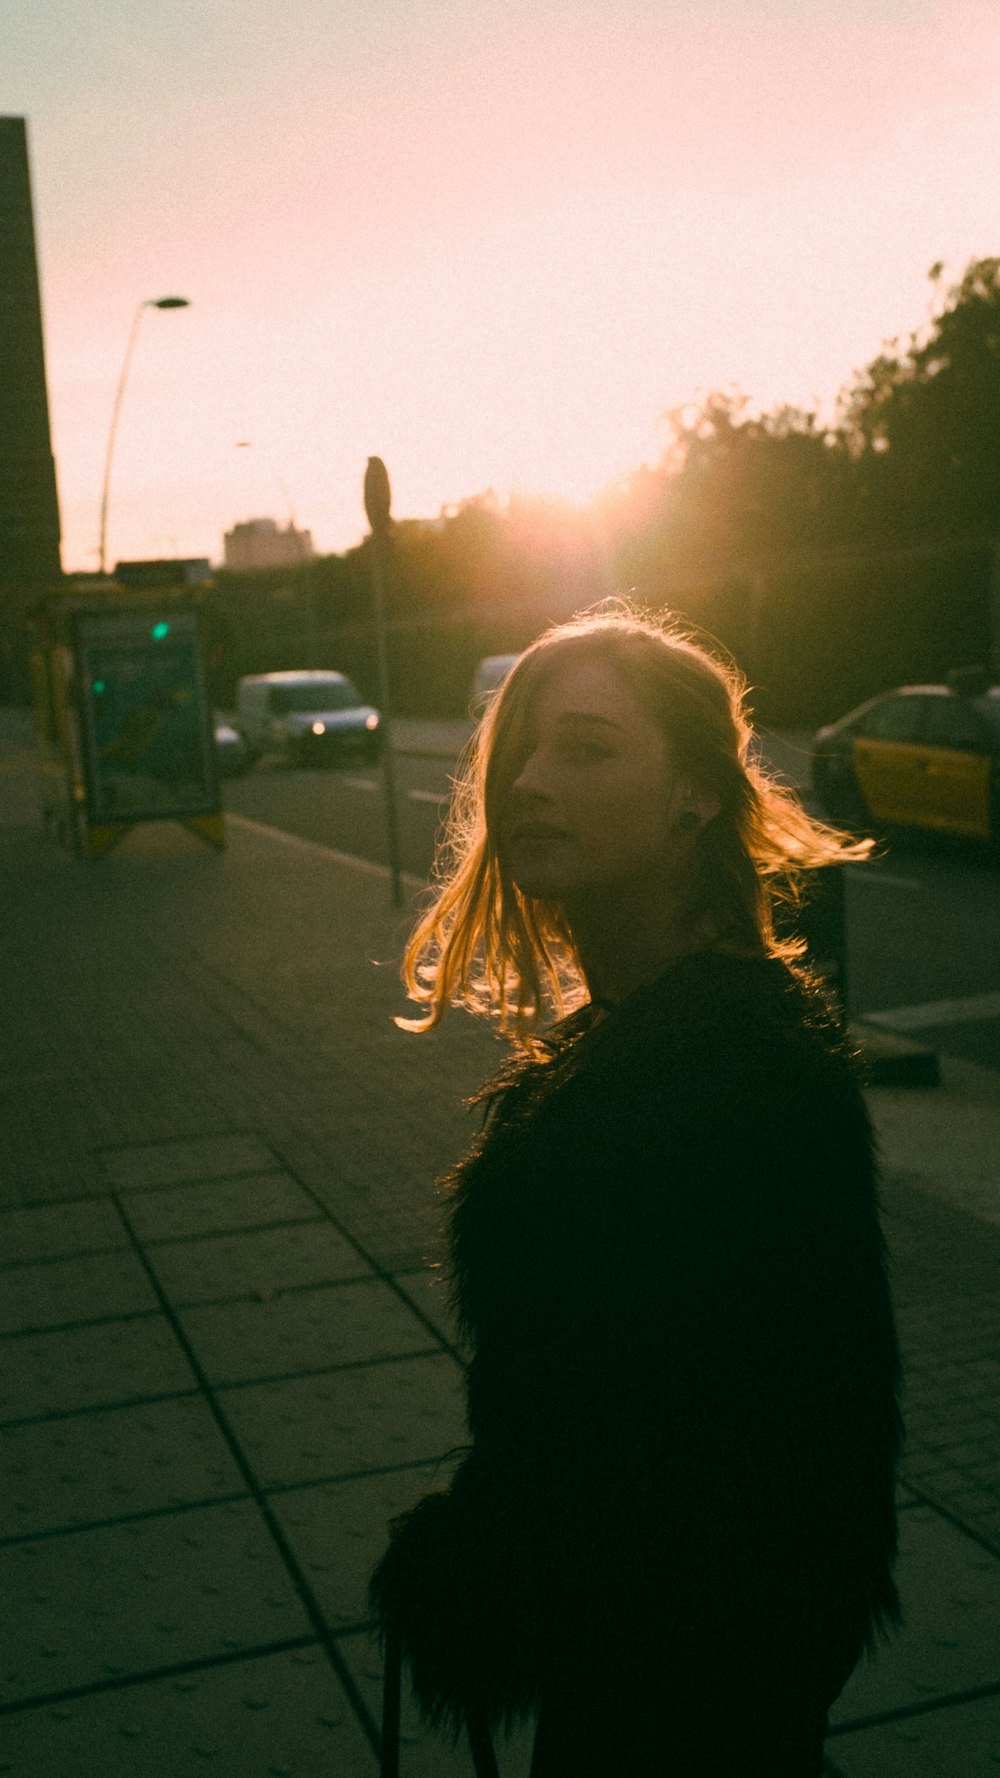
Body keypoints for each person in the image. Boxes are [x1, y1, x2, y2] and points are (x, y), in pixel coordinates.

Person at [370, 607, 902, 1777]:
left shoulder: (718, 1075)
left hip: (685, 1685)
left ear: (696, 797)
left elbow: (730, 1460)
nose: (532, 783)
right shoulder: (635, 1045)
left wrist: (472, 1568)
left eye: (589, 749)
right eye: (520, 754)